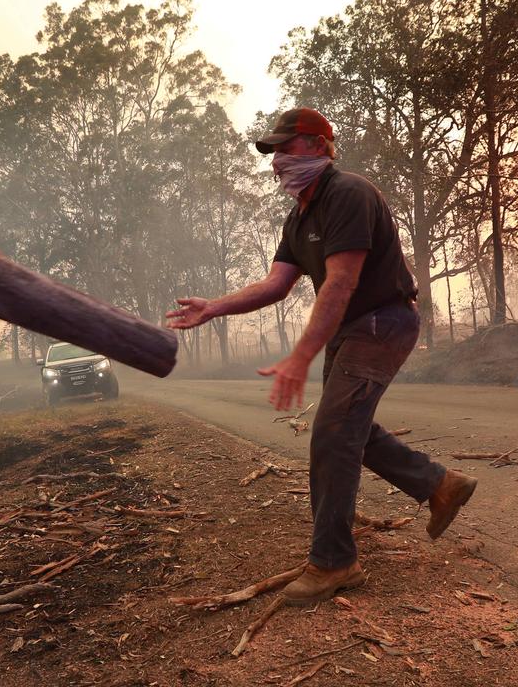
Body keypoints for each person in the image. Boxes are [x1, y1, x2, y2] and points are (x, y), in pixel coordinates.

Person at [166, 108, 477, 605]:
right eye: (272, 153)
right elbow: (275, 284)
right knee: (347, 426)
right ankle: (441, 485)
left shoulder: (349, 194)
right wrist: (215, 308)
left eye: (285, 149)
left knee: (334, 431)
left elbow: (342, 281)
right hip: (352, 329)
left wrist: (300, 355)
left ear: (317, 145)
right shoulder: (299, 218)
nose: (276, 162)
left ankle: (334, 562)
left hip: (381, 321)